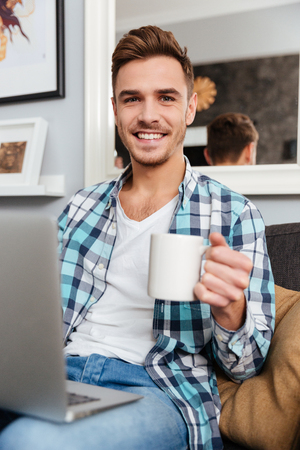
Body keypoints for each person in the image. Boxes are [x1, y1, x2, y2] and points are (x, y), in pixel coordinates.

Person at [0, 25, 275, 450]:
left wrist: (230, 310)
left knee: (29, 441)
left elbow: (246, 367)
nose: (148, 115)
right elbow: (32, 316)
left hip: (156, 388)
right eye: (133, 99)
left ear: (190, 108)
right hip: (58, 373)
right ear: (115, 109)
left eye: (166, 97)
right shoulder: (81, 206)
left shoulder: (234, 214)